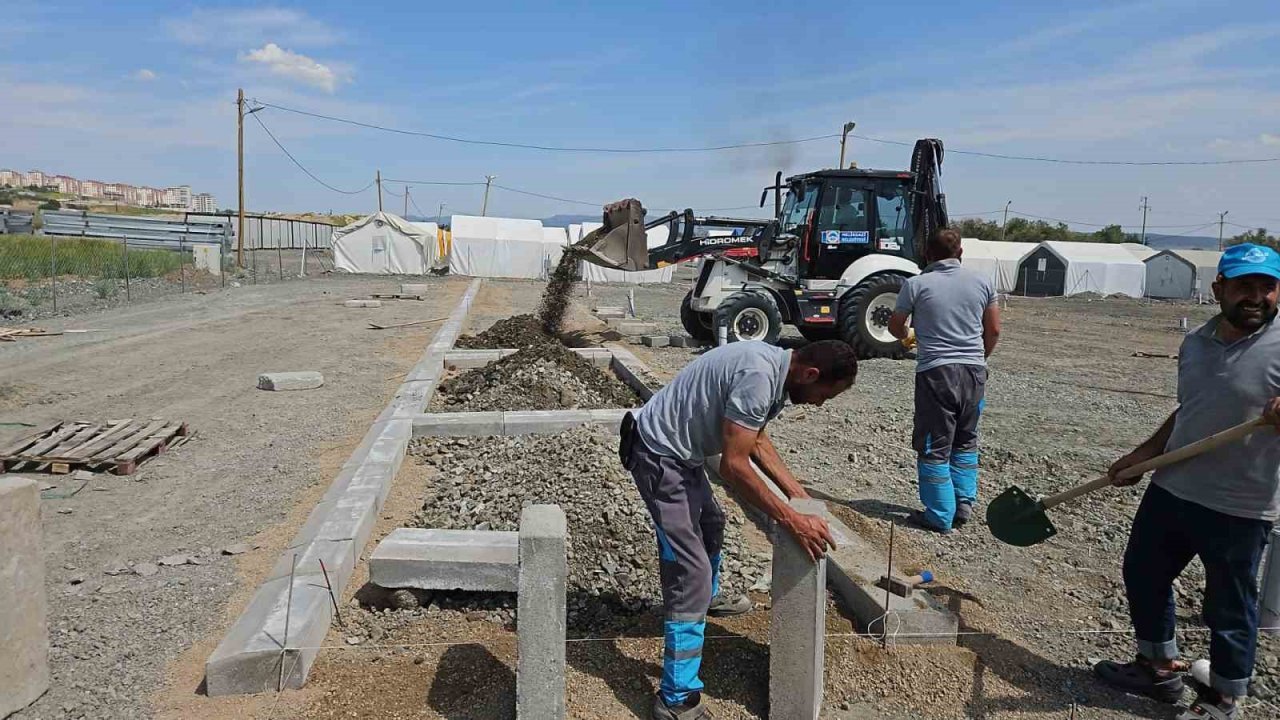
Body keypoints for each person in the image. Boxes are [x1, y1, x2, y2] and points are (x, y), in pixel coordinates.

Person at [619, 339, 857, 720]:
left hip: (681, 455)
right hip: (658, 456)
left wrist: (798, 495)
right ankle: (675, 698)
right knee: (690, 571)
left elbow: (755, 439)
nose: (819, 405)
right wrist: (791, 519)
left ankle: (705, 600)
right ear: (810, 374)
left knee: (712, 524)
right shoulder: (758, 376)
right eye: (823, 395)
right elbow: (734, 464)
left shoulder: (775, 370)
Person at [1093, 243, 1280, 720]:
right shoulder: (1196, 342)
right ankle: (1158, 668)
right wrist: (1144, 455)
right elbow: (1189, 411)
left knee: (1229, 606)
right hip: (1173, 487)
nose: (1256, 297)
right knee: (1143, 573)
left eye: (1267, 287)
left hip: (1240, 504)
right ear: (1219, 288)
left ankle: (1224, 699)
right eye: (1245, 286)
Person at [888, 228, 1001, 533]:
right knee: (966, 438)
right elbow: (993, 330)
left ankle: (939, 514)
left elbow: (895, 326)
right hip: (974, 371)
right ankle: (963, 503)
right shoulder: (982, 282)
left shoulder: (916, 284)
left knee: (934, 443)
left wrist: (907, 335)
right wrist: (980, 358)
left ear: (927, 254)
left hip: (936, 373)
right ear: (960, 253)